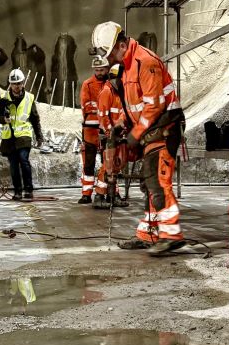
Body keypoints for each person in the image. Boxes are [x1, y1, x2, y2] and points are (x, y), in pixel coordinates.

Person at [90, 21, 185, 255]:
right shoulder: (126, 66)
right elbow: (134, 104)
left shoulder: (146, 62)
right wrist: (123, 123)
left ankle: (171, 235)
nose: (108, 58)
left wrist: (135, 134)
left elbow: (154, 106)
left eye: (109, 53)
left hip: (165, 126)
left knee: (158, 181)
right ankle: (148, 234)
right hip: (152, 129)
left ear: (121, 45)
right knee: (148, 182)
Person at [0, 67, 43, 200]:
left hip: (24, 135)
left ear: (23, 83)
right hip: (9, 136)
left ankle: (28, 190)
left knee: (24, 160)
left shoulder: (29, 98)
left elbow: (34, 118)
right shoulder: (3, 98)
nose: (17, 86)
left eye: (19, 83)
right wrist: (3, 119)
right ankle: (17, 191)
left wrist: (39, 136)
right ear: (10, 84)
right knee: (14, 164)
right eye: (14, 83)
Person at [93, 64, 128, 210]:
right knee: (107, 166)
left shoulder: (118, 93)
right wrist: (110, 133)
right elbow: (102, 117)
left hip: (116, 135)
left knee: (115, 165)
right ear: (115, 78)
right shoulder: (106, 92)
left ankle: (113, 195)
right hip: (109, 136)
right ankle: (100, 196)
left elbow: (121, 113)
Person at [78, 54, 110, 204]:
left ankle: (110, 191)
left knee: (109, 162)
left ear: (107, 68)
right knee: (89, 163)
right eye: (97, 70)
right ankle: (86, 193)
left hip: (108, 129)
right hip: (91, 130)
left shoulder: (111, 84)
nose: (99, 72)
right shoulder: (87, 84)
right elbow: (85, 106)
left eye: (102, 69)